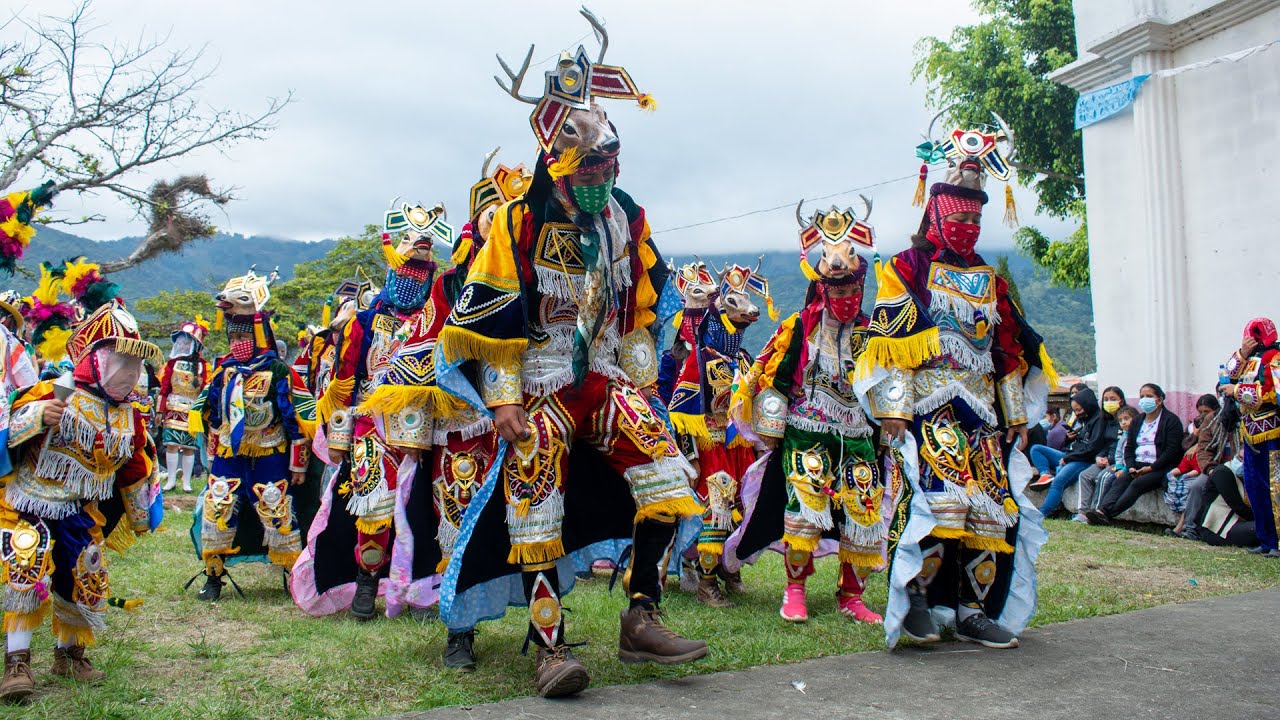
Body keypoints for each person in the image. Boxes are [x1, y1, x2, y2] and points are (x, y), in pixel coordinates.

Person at [433, 10, 705, 697]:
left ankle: (641, 614)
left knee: (668, 473)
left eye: (611, 163)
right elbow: (493, 312)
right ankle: (550, 648)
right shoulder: (517, 220)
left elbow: (644, 302)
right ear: (556, 159)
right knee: (534, 498)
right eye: (589, 164)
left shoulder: (624, 216)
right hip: (537, 384)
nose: (602, 175)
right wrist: (500, 399)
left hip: (605, 379)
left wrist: (640, 372)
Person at [861, 114, 1053, 650]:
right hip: (928, 407)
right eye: (958, 216)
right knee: (942, 506)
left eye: (975, 218)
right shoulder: (907, 268)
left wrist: (1017, 417)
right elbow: (891, 342)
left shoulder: (992, 278)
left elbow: (1006, 351)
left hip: (983, 413)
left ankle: (972, 611)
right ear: (935, 215)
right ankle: (918, 599)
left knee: (991, 512)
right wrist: (894, 409)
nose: (968, 226)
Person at [353, 150, 530, 670]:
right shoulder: (449, 284)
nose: (501, 217)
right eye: (492, 207)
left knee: (538, 520)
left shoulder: (537, 279)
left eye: (511, 209)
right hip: (465, 423)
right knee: (457, 516)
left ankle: (548, 632)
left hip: (532, 416)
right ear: (474, 219)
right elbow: (422, 350)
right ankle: (460, 628)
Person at [722, 199, 887, 625]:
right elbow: (773, 377)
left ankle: (851, 595)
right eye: (839, 290)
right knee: (805, 506)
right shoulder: (800, 326)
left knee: (863, 508)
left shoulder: (872, 332)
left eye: (854, 290)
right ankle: (794, 589)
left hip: (856, 432)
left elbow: (884, 384)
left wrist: (887, 426)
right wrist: (773, 431)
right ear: (823, 287)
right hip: (806, 428)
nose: (847, 297)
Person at [295, 202, 448, 621]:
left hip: (426, 429)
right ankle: (367, 580)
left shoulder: (439, 320)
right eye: (406, 270)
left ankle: (421, 587)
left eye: (422, 271)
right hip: (370, 429)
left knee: (428, 509)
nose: (414, 279)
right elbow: (344, 382)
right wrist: (340, 439)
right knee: (373, 508)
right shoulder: (364, 321)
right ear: (391, 266)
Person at [0, 299, 160, 701]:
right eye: (119, 360)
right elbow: (13, 425)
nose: (129, 372)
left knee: (85, 572)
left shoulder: (129, 416)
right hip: (28, 500)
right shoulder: (54, 390)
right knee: (26, 566)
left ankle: (70, 655)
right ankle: (17, 663)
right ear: (95, 358)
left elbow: (134, 465)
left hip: (80, 508)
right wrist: (39, 416)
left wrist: (141, 514)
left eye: (133, 364)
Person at [188, 268, 318, 599]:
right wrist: (213, 449)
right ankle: (213, 575)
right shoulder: (224, 370)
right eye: (233, 338)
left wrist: (299, 464)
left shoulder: (278, 371)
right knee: (219, 506)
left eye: (243, 338)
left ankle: (291, 573)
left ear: (258, 337)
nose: (237, 344)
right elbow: (209, 413)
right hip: (230, 456)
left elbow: (299, 418)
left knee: (277, 508)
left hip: (270, 452)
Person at [667, 260, 772, 608]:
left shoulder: (741, 358)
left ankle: (731, 570)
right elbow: (680, 412)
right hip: (710, 444)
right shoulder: (699, 357)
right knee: (719, 507)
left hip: (739, 444)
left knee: (743, 506)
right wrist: (690, 455)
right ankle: (706, 583)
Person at [1219, 318, 1280, 557]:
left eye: (1255, 334)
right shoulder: (1249, 359)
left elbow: (1272, 393)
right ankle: (1266, 541)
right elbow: (1229, 373)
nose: (1251, 338)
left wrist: (1236, 391)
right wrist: (1242, 352)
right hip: (1250, 432)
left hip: (1272, 432)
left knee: (1274, 488)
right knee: (1255, 488)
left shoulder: (1275, 358)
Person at [1087, 384, 1184, 524]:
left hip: (1160, 467)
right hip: (1138, 464)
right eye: (1142, 396)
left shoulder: (1171, 421)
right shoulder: (1138, 421)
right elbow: (1129, 447)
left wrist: (1151, 468)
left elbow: (1171, 451)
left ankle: (1108, 514)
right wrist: (1131, 466)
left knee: (1137, 484)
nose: (1145, 400)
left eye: (1149, 396)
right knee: (1121, 480)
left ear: (1160, 399)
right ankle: (1101, 511)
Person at [1032, 388, 1111, 516]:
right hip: (1072, 455)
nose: (1078, 413)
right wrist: (1070, 438)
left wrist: (1068, 458)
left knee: (1059, 481)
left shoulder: (1099, 420)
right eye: (1075, 410)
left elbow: (1092, 448)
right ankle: (1045, 474)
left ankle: (1042, 513)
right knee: (1037, 449)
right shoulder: (1085, 420)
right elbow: (1079, 443)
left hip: (1083, 460)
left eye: (1079, 410)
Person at [158, 318, 212, 494]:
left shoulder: (204, 367)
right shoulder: (171, 364)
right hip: (173, 408)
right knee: (171, 444)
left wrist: (205, 413)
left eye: (186, 342)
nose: (182, 345)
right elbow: (164, 388)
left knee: (189, 447)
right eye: (181, 342)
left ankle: (187, 481)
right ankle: (171, 479)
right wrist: (160, 410)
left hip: (192, 411)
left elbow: (206, 391)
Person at [1075, 405, 1138, 522]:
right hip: (1119, 466)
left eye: (1127, 419)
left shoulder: (1137, 436)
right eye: (1120, 420)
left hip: (1129, 467)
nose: (1123, 423)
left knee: (1104, 477)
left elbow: (1134, 455)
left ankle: (1097, 510)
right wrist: (1118, 467)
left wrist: (1123, 469)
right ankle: (1083, 512)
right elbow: (1119, 453)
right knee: (1086, 475)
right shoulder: (1123, 436)